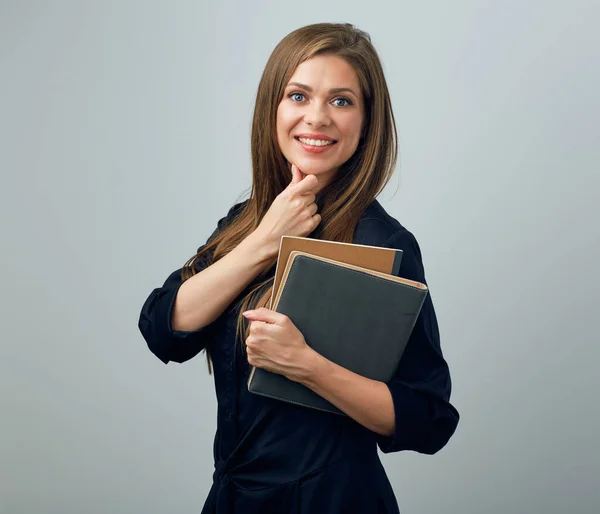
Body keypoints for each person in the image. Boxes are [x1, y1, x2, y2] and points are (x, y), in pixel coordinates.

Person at [138, 22, 459, 514]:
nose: (318, 118)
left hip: (330, 500)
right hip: (234, 498)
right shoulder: (247, 222)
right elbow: (164, 328)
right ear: (274, 107)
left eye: (341, 100)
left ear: (367, 120)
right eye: (298, 95)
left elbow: (429, 416)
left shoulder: (383, 243)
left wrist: (308, 367)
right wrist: (265, 241)